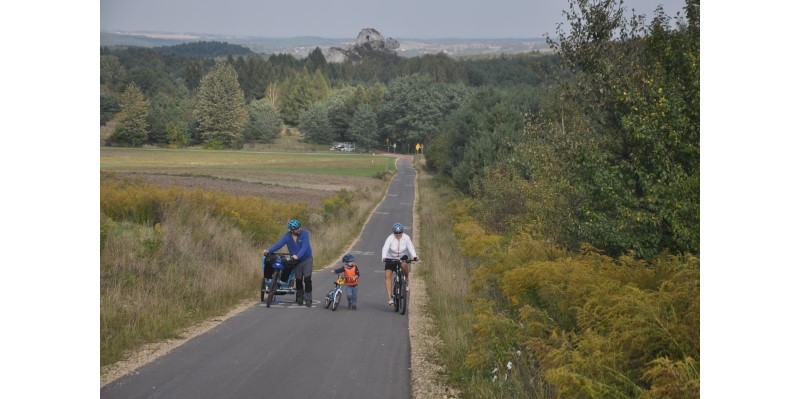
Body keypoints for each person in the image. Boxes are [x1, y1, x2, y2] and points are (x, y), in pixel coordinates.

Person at [264, 219, 314, 307]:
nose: (299, 230)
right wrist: (268, 250)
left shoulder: (304, 233)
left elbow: (305, 246)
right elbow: (278, 244)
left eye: (299, 227)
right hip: (296, 261)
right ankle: (300, 297)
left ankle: (308, 298)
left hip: (306, 259)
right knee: (298, 279)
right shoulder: (287, 236)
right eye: (296, 229)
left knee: (307, 279)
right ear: (291, 230)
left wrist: (297, 255)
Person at [381, 222, 418, 307]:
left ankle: (407, 281)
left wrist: (414, 256)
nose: (398, 234)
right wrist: (384, 257)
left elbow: (411, 248)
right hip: (391, 257)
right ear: (393, 232)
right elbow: (385, 248)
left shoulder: (406, 238)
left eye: (400, 232)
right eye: (396, 233)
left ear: (402, 231)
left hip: (402, 256)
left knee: (404, 265)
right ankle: (390, 298)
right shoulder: (390, 238)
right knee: (387, 276)